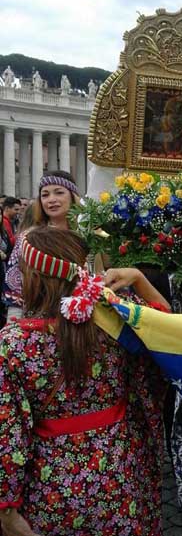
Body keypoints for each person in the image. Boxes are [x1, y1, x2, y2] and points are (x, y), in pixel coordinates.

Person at [0, 227, 170, 535]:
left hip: (52, 484)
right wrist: (139, 278)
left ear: (35, 277)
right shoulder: (117, 319)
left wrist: (7, 509)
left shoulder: (13, 342)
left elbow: (8, 433)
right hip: (122, 471)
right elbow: (167, 326)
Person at [5, 171, 78, 320]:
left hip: (83, 322)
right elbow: (15, 285)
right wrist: (12, 324)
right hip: (38, 323)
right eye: (45, 195)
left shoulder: (88, 234)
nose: (51, 200)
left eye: (59, 193)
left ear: (72, 196)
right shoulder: (29, 238)